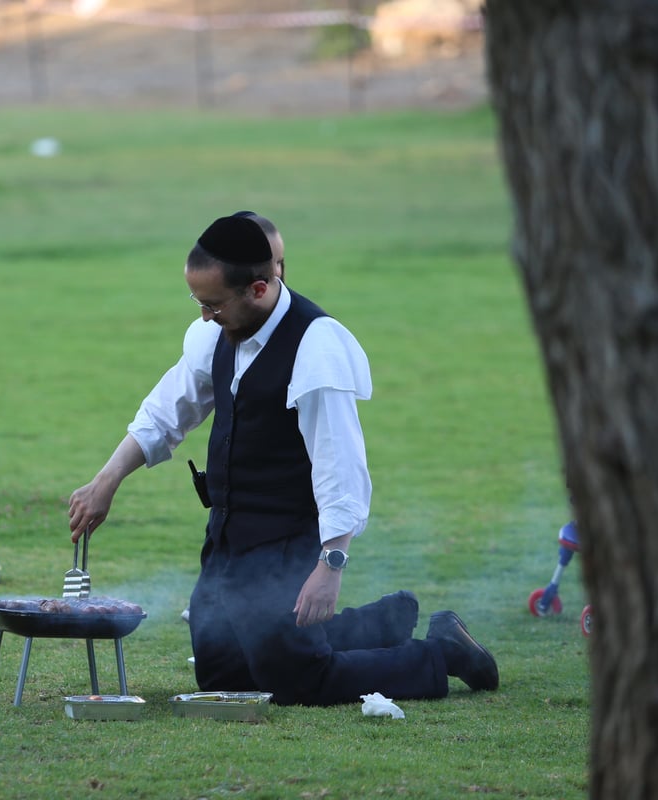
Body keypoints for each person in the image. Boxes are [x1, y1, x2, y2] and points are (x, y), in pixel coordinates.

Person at [67, 214, 498, 706]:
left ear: (258, 288)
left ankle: (441, 654)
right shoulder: (217, 333)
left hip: (290, 538)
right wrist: (108, 480)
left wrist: (330, 565)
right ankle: (386, 621)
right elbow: (169, 410)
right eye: (199, 302)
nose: (205, 316)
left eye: (213, 304)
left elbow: (341, 465)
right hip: (228, 537)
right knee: (222, 674)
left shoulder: (315, 346)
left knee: (296, 677)